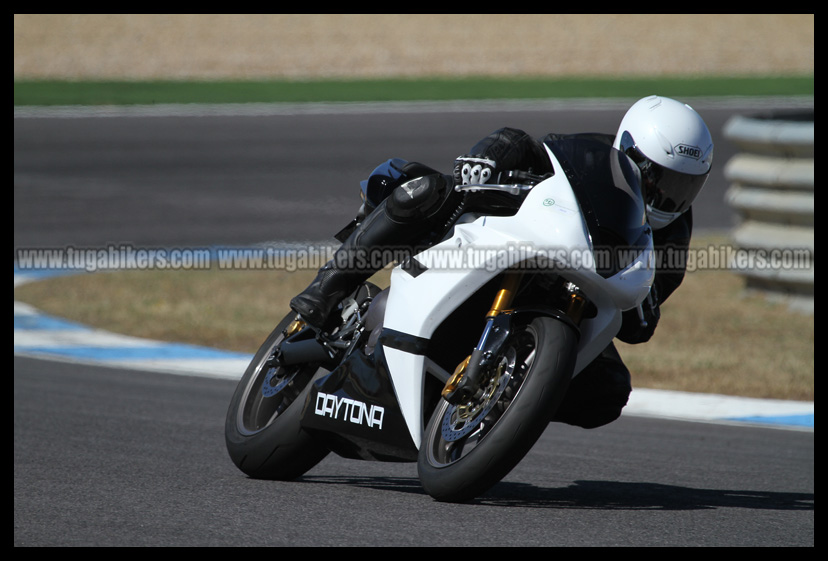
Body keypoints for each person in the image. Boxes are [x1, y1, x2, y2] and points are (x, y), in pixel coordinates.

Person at [289, 95, 714, 429]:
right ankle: (323, 293)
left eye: (683, 186)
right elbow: (520, 142)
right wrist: (487, 158)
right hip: (504, 237)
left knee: (609, 392)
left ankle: (505, 408)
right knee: (424, 190)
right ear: (627, 149)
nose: (667, 196)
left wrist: (645, 300)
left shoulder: (674, 233)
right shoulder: (590, 156)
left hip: (566, 299)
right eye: (657, 177)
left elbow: (645, 320)